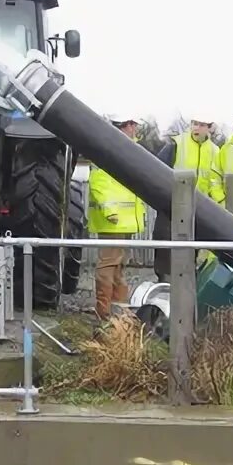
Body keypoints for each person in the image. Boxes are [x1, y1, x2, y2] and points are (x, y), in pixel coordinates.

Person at [87, 113, 146, 319]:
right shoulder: (109, 147)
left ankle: (118, 312)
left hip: (124, 220)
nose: (136, 130)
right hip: (114, 220)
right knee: (109, 264)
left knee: (119, 266)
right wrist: (110, 210)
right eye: (134, 125)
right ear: (127, 125)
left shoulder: (123, 147)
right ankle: (105, 313)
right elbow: (98, 181)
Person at [152, 115, 221, 281]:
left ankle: (188, 296)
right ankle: (165, 290)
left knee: (190, 258)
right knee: (166, 257)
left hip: (198, 213)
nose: (196, 128)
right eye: (194, 124)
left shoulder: (216, 153)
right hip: (171, 211)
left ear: (210, 128)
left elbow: (218, 183)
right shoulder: (175, 146)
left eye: (201, 124)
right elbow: (156, 175)